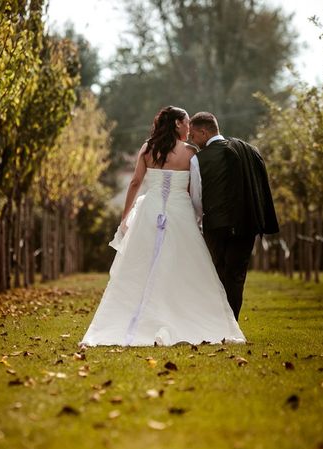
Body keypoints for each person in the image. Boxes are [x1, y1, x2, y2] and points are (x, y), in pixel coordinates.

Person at [80, 106, 246, 347]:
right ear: (178, 124)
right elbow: (194, 188)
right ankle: (180, 316)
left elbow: (136, 182)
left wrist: (125, 216)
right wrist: (199, 216)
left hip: (150, 210)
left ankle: (139, 320)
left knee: (142, 266)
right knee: (183, 266)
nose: (189, 127)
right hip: (180, 212)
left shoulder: (148, 148)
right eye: (187, 122)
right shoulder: (191, 152)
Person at [189, 111, 279, 320]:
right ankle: (233, 324)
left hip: (216, 226)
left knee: (218, 275)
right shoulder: (250, 150)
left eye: (193, 136)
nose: (191, 141)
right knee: (237, 276)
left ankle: (220, 323)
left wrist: (199, 222)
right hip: (247, 224)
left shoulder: (198, 160)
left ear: (203, 132)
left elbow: (196, 198)